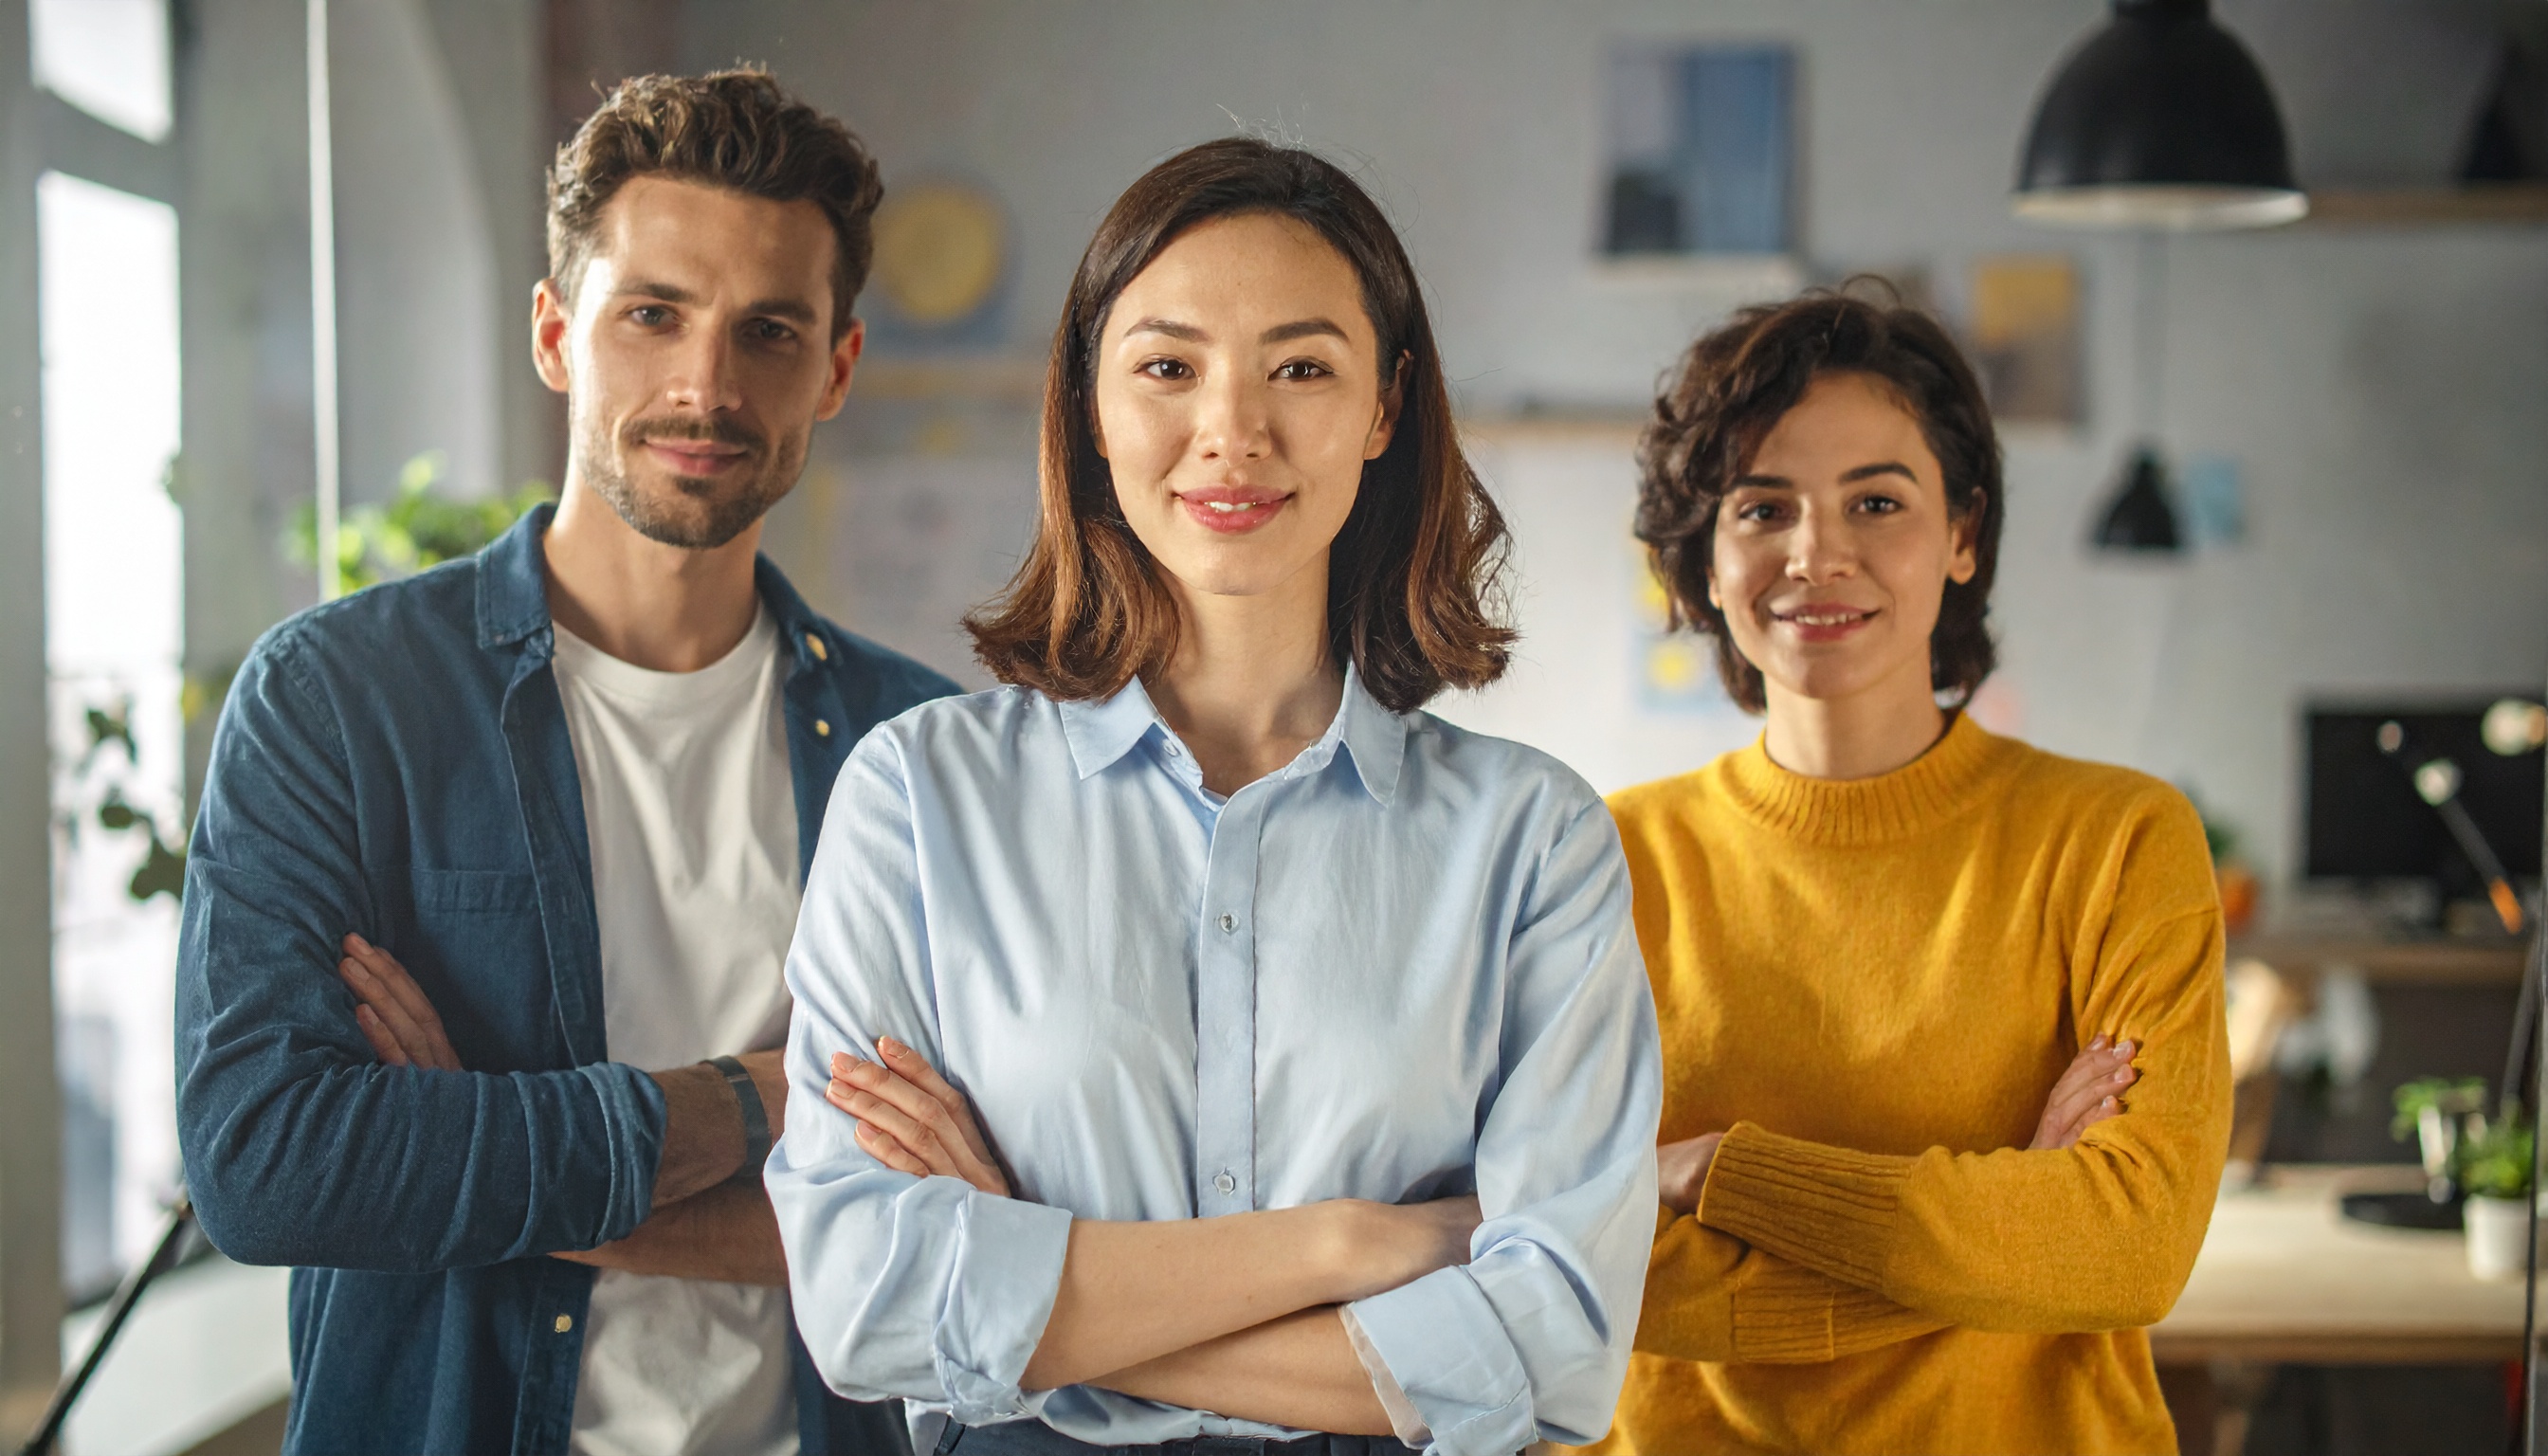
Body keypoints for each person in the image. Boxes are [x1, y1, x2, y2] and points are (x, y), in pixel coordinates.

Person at [763, 137, 1665, 1456]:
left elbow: (1554, 1355)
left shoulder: (1534, 843)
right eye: (1168, 368)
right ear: (1087, 405)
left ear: (1384, 407)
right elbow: (862, 1302)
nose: (1230, 433)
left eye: (1301, 368)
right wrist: (1349, 1244)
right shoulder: (918, 798)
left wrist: (1035, 1301)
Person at [175, 70, 956, 1456]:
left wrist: (475, 1161)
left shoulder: (925, 751)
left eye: (768, 332)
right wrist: (753, 1104)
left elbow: (978, 1210)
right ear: (556, 333)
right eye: (651, 315)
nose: (705, 385)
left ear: (835, 368)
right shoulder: (339, 701)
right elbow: (273, 1166)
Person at [1581, 290, 2231, 1455]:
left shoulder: (2120, 841)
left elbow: (2129, 1248)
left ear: (1963, 534)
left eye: (1877, 501)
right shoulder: (1603, 862)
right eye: (1762, 506)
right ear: (1705, 555)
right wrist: (2005, 1237)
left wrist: (1718, 1172)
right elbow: (1562, 1266)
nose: (1818, 554)